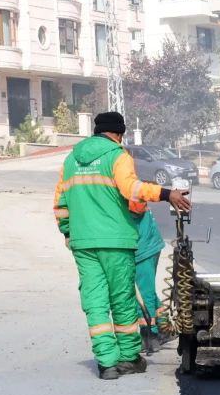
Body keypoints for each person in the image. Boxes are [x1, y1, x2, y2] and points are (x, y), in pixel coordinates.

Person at [53, 112, 192, 380]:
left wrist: (68, 233)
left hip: (83, 243)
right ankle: (129, 357)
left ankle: (106, 364)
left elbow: (60, 203)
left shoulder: (70, 160)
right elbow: (131, 189)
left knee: (94, 301)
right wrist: (166, 193)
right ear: (119, 134)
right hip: (116, 241)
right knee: (123, 299)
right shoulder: (117, 156)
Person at [134, 209, 169, 338]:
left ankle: (150, 333)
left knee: (143, 293)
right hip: (147, 243)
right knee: (146, 288)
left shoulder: (127, 192)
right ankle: (163, 326)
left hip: (143, 247)